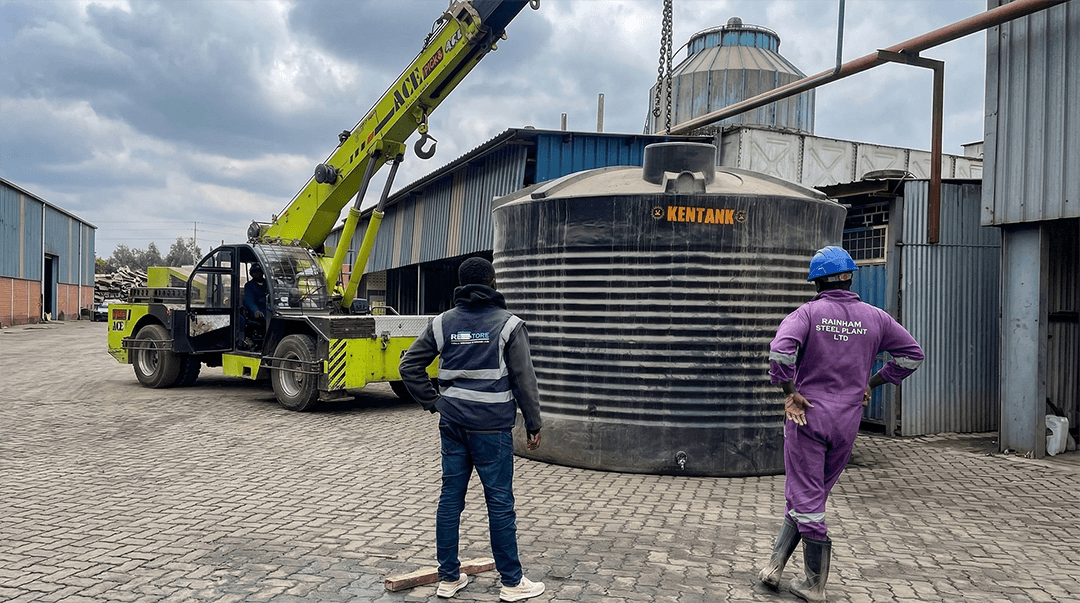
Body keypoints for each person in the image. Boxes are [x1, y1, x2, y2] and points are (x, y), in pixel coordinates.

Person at [756, 245, 923, 603]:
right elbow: (912, 356)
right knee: (809, 496)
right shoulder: (876, 317)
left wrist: (790, 390)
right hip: (847, 420)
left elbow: (780, 352)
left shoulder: (808, 313)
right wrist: (872, 383)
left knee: (806, 497)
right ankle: (774, 568)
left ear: (816, 281)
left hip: (807, 416)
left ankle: (814, 586)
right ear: (850, 276)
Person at [398, 257, 545, 602]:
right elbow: (525, 380)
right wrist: (534, 423)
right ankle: (512, 583)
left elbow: (409, 365)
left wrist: (434, 402)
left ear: (462, 285)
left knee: (451, 499)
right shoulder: (508, 325)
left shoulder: (443, 323)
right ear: (493, 283)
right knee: (499, 502)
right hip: (491, 429)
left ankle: (448, 579)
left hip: (453, 425)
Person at [239, 263, 267, 349]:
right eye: (255, 272)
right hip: (256, 312)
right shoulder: (249, 286)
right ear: (251, 274)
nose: (257, 273)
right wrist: (256, 311)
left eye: (259, 271)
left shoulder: (268, 284)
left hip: (270, 309)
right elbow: (249, 301)